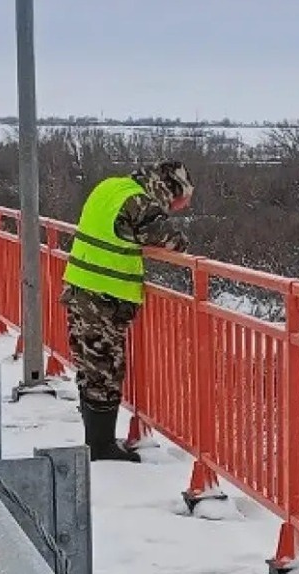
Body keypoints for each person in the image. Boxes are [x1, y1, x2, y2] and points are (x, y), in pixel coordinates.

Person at [60, 161, 194, 462]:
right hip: (103, 299)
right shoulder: (139, 201)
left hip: (80, 289)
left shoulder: (110, 187)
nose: (174, 208)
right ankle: (101, 447)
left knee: (89, 368)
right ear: (166, 188)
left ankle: (96, 441)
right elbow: (171, 239)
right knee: (105, 372)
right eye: (176, 201)